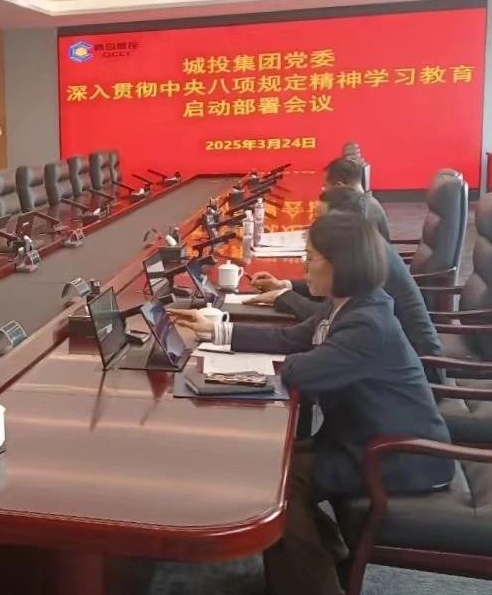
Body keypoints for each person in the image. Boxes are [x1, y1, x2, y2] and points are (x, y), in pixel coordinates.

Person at [169, 213, 453, 595]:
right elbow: (292, 339)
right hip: (361, 439)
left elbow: (300, 369)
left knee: (276, 484)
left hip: (399, 455)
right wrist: (216, 331)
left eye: (312, 256)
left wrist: (280, 361)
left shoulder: (366, 323)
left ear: (341, 265)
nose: (304, 266)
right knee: (270, 466)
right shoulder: (348, 305)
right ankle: (327, 553)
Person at [247, 187, 442, 356]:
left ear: (342, 223)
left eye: (320, 218)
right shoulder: (362, 245)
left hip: (419, 360)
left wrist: (284, 296)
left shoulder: (365, 259)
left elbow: (332, 318)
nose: (314, 224)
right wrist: (285, 285)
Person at [323, 156, 389, 240]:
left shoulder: (346, 213)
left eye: (325, 186)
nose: (324, 190)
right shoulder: (374, 204)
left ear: (339, 186)